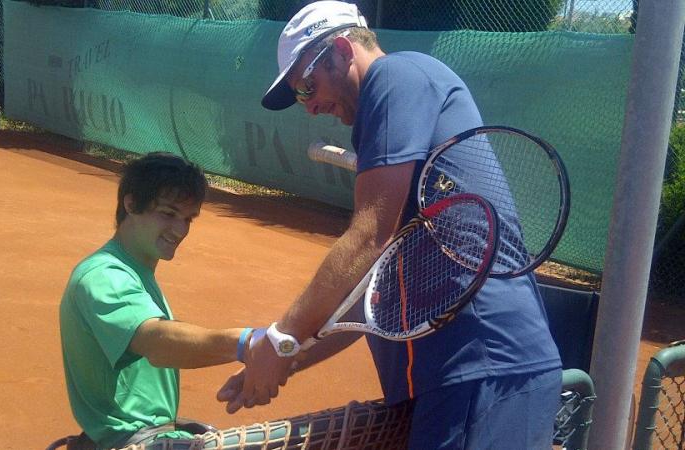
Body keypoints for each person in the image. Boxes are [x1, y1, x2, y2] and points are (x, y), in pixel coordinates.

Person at [217, 2, 563, 449]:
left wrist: (282, 338)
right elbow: (368, 306)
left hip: (483, 367)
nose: (310, 107)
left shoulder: (396, 78)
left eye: (307, 86)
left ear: (342, 50)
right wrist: (289, 358)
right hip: (460, 377)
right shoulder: (397, 137)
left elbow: (367, 235)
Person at [59, 152, 261, 450]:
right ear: (130, 204)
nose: (180, 230)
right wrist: (245, 343)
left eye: (187, 219)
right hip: (131, 441)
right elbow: (157, 343)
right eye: (168, 213)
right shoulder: (105, 277)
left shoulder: (135, 272)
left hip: (152, 435)